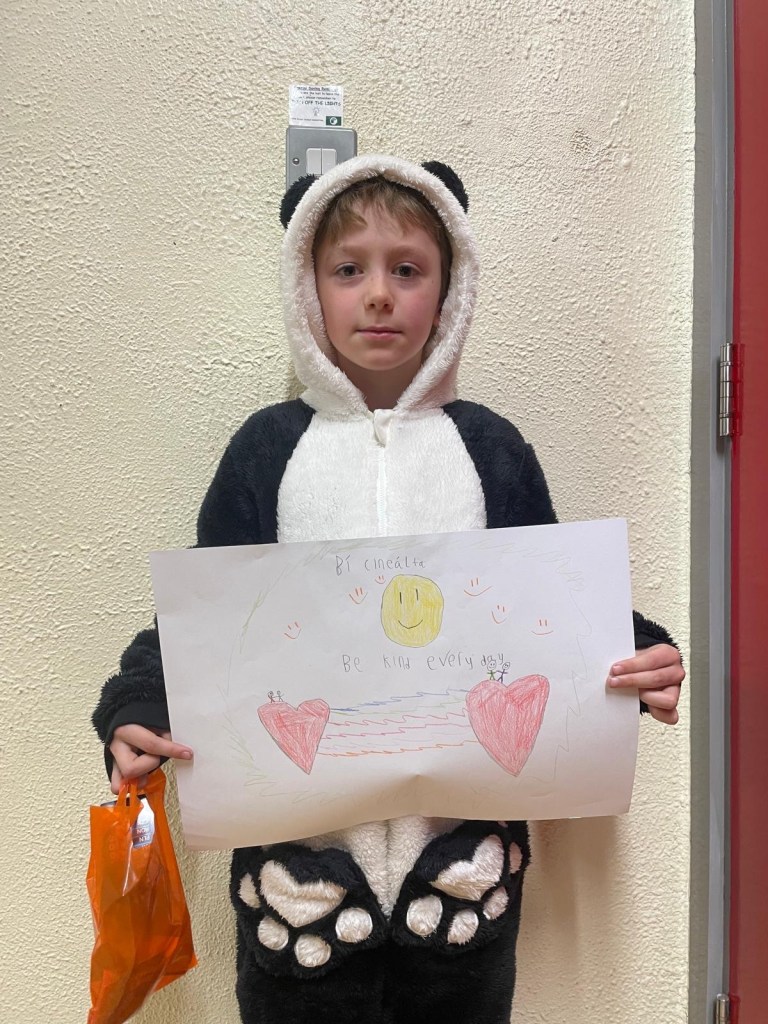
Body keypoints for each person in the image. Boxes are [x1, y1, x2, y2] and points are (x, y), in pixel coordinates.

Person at [92, 155, 684, 1024]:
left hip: (460, 881)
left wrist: (637, 653)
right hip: (300, 888)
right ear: (308, 288)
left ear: (450, 291)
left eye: (407, 269)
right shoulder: (266, 451)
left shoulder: (490, 450)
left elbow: (552, 611)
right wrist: (137, 703)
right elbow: (202, 619)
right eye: (348, 269)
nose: (378, 294)